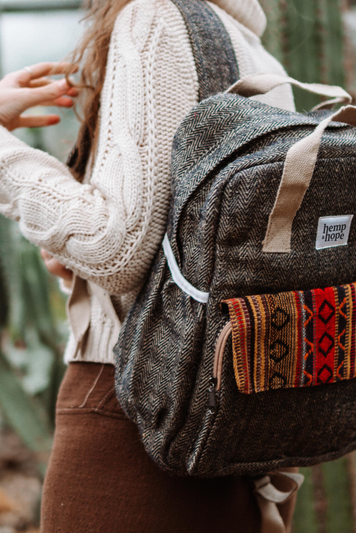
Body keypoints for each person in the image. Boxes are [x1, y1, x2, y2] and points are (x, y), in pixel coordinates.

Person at [0, 0, 296, 531]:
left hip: (133, 410)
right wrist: (74, 257)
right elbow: (206, 240)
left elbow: (115, 250)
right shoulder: (248, 43)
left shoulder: (156, 16)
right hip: (238, 409)